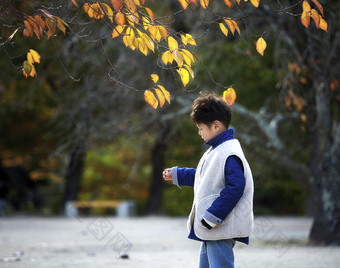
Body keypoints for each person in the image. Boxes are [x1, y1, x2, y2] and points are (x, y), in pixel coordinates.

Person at [163, 92, 254, 268]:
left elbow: (236, 187)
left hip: (219, 226)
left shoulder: (229, 152)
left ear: (216, 126)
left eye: (201, 128)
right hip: (212, 228)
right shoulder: (217, 150)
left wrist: (213, 216)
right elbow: (205, 177)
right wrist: (178, 175)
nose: (199, 133)